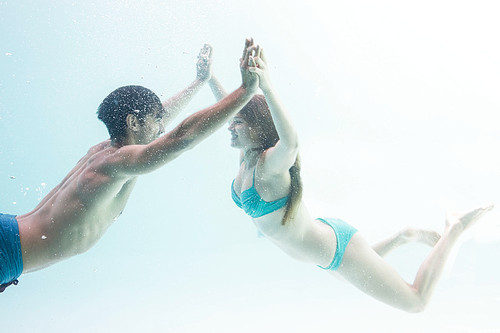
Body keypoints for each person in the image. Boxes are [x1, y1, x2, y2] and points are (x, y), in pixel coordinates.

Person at [210, 43, 494, 312]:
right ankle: (403, 236)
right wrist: (210, 78)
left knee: (416, 302)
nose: (230, 126)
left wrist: (266, 86)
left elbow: (292, 143)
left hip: (335, 250)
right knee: (357, 270)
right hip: (324, 250)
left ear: (257, 127)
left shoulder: (269, 166)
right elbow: (232, 109)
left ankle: (454, 227)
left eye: (238, 123)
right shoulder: (247, 157)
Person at [0, 39, 259, 293]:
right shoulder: (116, 162)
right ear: (133, 123)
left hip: (9, 239)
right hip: (5, 250)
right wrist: (244, 92)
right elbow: (182, 138)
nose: (161, 127)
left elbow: (161, 126)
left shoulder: (105, 151)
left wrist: (199, 82)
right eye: (155, 119)